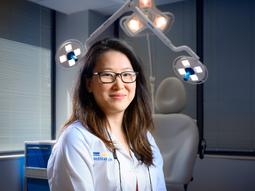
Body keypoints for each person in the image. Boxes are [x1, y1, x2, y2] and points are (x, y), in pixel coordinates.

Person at [47, 38, 166, 191]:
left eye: (127, 74)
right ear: (89, 83)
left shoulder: (145, 138)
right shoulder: (75, 139)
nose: (119, 85)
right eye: (108, 75)